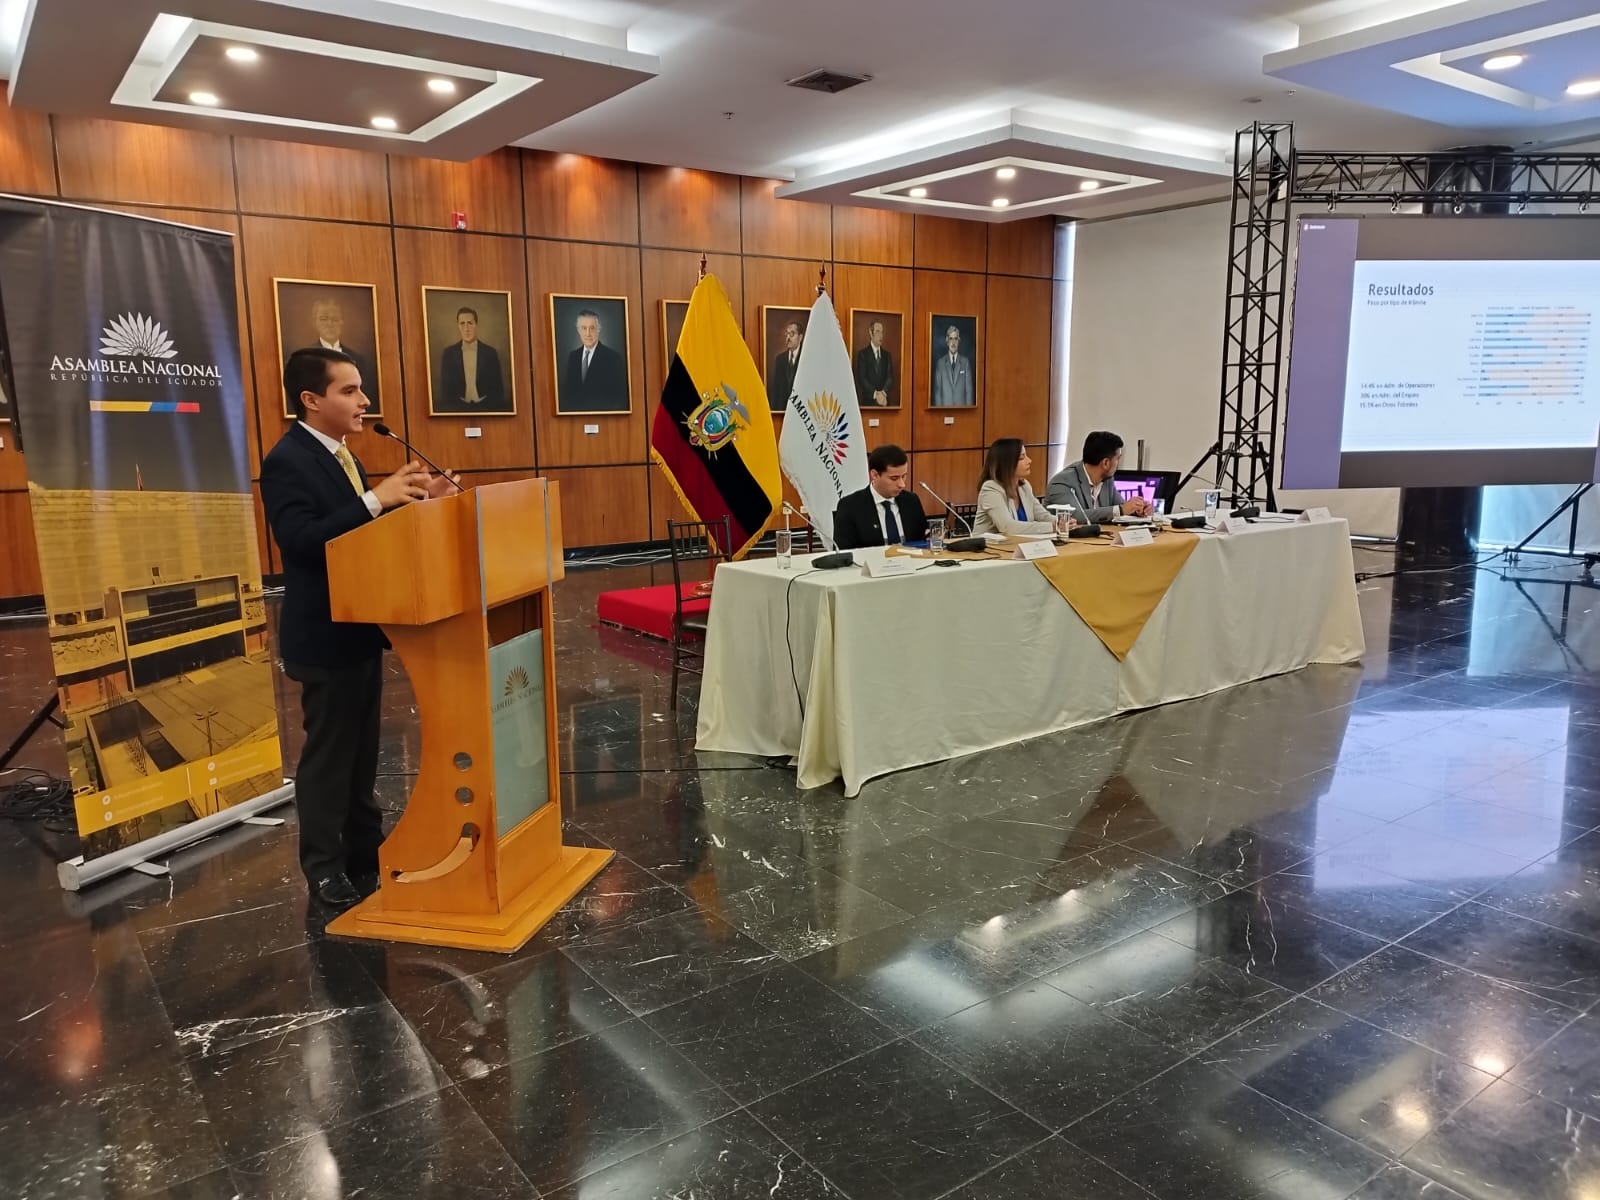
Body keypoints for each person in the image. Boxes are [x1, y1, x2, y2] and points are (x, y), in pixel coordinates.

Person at [261, 348, 456, 909]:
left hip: (359, 628)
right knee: (329, 759)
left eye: (361, 389)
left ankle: (366, 855)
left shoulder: (345, 455)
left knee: (363, 752)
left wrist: (421, 505)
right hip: (323, 636)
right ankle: (323, 870)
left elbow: (362, 540)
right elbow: (302, 541)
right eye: (349, 391)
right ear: (311, 400)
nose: (363, 401)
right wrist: (377, 498)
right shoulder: (288, 460)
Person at [289, 298, 379, 414]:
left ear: (342, 322)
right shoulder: (305, 360)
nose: (330, 324)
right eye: (323, 319)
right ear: (315, 323)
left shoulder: (360, 359)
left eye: (335, 319)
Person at [832, 444, 929, 549]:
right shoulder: (850, 506)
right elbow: (843, 553)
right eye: (894, 478)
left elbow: (923, 540)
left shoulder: (911, 501)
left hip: (912, 563)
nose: (902, 484)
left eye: (904, 476)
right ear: (874, 475)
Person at [1045, 430, 1154, 521]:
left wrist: (1137, 510)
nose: (1118, 464)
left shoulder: (1107, 480)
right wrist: (1121, 510)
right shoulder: (1062, 482)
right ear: (1106, 463)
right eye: (1118, 458)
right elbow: (1075, 517)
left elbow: (1121, 507)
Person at [974, 438, 1060, 536]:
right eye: (1022, 458)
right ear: (1007, 463)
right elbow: (1008, 528)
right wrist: (1052, 527)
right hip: (988, 550)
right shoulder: (990, 489)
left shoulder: (1024, 487)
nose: (1029, 461)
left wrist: (1062, 522)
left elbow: (1042, 516)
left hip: (1019, 547)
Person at [436, 306, 506, 412]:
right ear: (458, 326)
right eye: (462, 323)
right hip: (457, 410)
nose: (466, 328)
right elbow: (446, 392)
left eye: (470, 323)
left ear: (476, 325)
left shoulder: (490, 353)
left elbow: (498, 391)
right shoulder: (449, 354)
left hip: (486, 409)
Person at [560, 308, 628, 411]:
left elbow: (619, 397)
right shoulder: (573, 357)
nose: (588, 333)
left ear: (598, 329)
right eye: (584, 328)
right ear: (578, 331)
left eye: (592, 328)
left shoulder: (613, 358)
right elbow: (567, 395)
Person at [854, 319, 895, 407]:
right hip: (868, 402)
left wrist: (883, 393)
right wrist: (876, 394)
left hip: (884, 402)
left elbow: (890, 378)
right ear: (870, 333)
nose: (881, 335)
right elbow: (862, 378)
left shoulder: (887, 355)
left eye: (882, 332)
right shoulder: (863, 354)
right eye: (877, 331)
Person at [931, 324, 973, 408]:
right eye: (951, 339)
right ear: (947, 342)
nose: (953, 342)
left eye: (955, 339)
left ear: (959, 341)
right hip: (944, 413)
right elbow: (937, 392)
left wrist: (968, 413)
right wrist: (940, 412)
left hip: (962, 413)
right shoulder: (940, 363)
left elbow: (969, 392)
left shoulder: (965, 363)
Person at [769, 319, 803, 412]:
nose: (788, 337)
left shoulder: (806, 359)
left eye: (792, 334)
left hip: (801, 413)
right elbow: (775, 390)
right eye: (786, 334)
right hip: (781, 412)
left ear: (800, 337)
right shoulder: (780, 359)